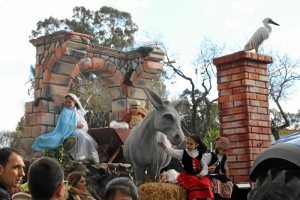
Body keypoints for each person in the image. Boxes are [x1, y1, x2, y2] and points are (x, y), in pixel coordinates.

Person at [32, 93, 99, 163]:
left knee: (87, 138)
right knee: (81, 136)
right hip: (69, 131)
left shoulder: (78, 112)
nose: (67, 104)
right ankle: (80, 157)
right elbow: (64, 124)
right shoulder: (65, 111)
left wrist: (82, 125)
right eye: (66, 102)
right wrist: (75, 126)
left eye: (69, 102)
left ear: (75, 102)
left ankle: (91, 157)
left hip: (79, 130)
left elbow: (84, 123)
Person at [157, 134, 214, 200]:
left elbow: (204, 167)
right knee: (193, 184)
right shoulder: (183, 152)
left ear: (197, 145)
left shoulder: (200, 154)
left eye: (191, 144)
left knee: (206, 184)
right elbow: (173, 152)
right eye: (187, 143)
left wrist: (202, 174)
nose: (188, 145)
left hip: (199, 176)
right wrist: (164, 147)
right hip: (188, 176)